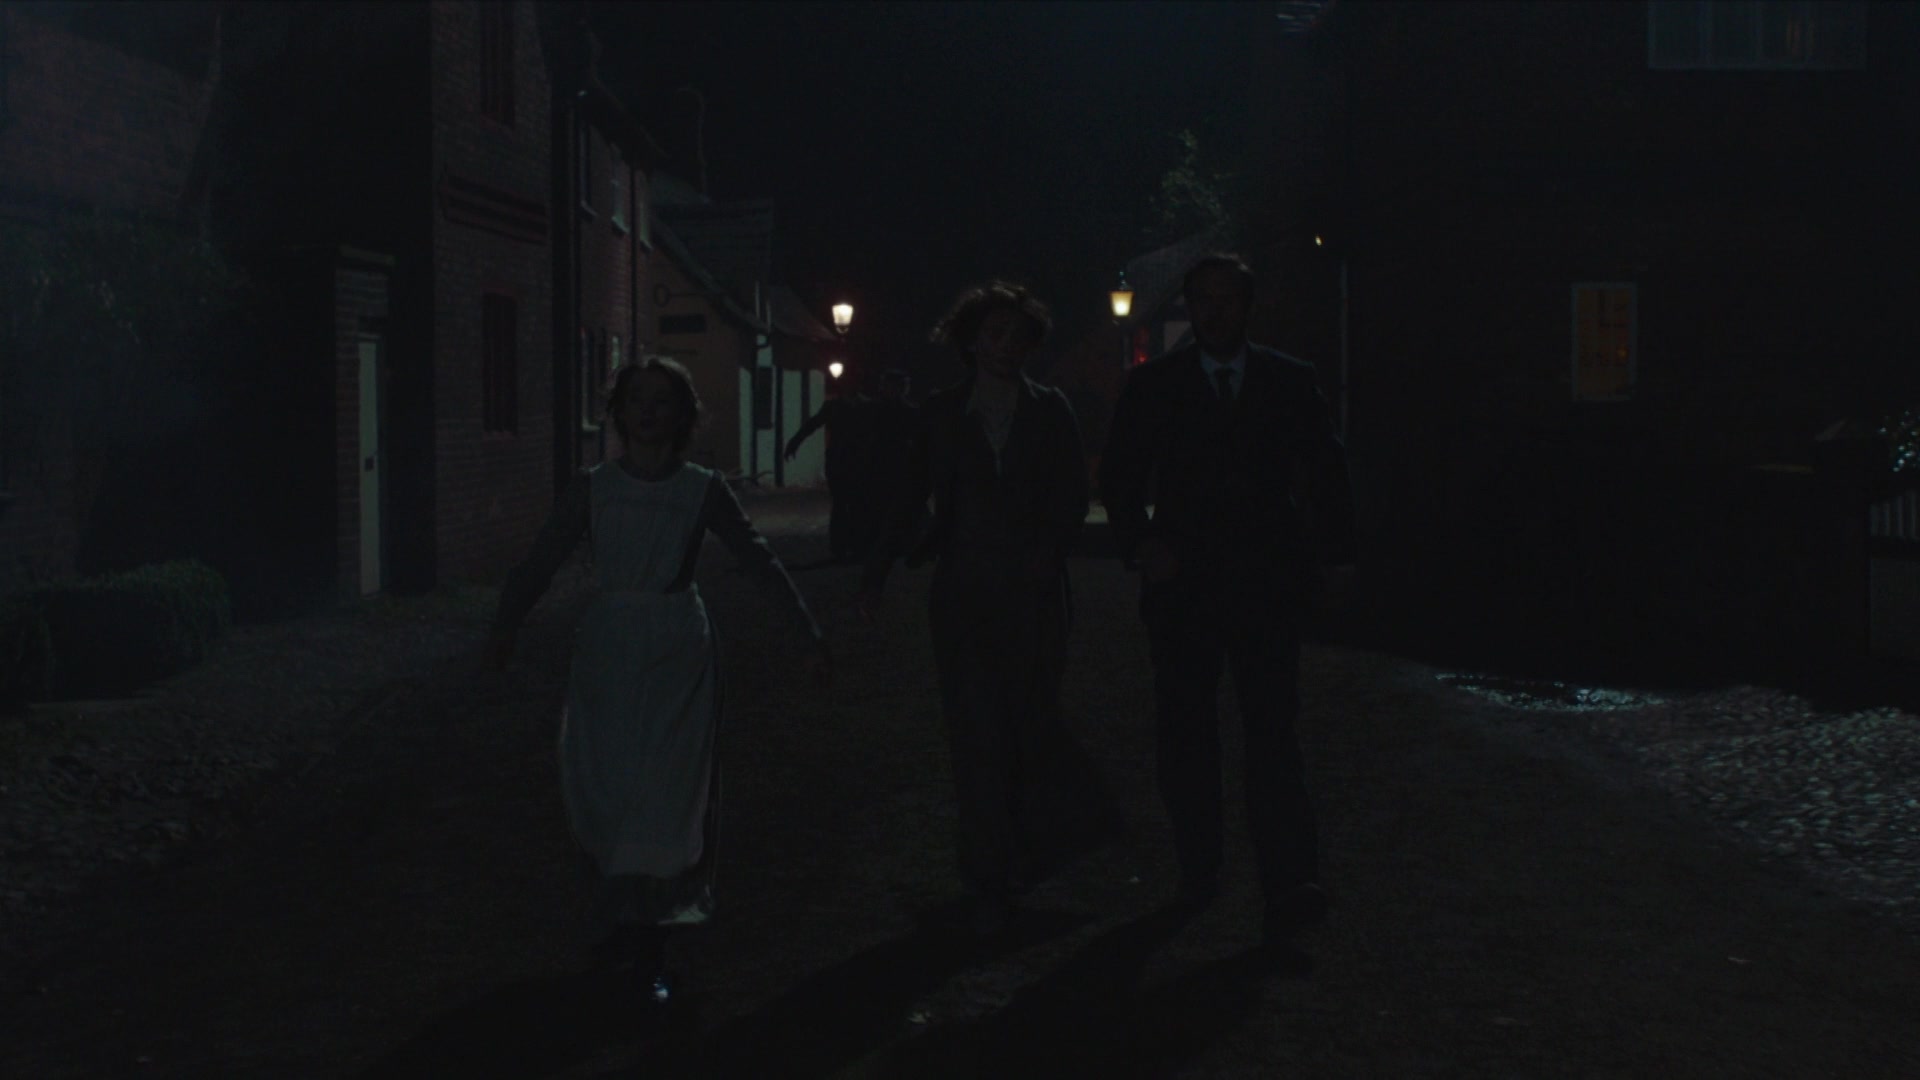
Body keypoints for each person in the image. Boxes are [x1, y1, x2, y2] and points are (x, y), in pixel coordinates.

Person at [483, 356, 832, 1009]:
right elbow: (542, 557)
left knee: (667, 792)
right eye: (636, 399)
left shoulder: (701, 489)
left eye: (662, 400)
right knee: (608, 783)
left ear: (682, 415)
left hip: (676, 648)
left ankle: (651, 943)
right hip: (610, 648)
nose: (648, 411)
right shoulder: (594, 488)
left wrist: (805, 635)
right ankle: (616, 917)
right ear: (618, 411)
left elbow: (758, 561)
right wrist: (506, 624)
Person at [1097, 253, 1356, 966]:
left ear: (1247, 306)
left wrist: (1337, 555)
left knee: (1273, 730)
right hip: (1184, 585)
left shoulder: (1288, 380)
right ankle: (1201, 862)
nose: (1215, 312)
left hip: (1264, 584)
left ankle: (1287, 876)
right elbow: (1120, 474)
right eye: (1204, 299)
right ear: (1190, 305)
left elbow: (1327, 469)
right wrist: (1141, 543)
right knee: (1188, 729)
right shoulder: (1156, 385)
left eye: (1227, 299)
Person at [860, 280, 1116, 940]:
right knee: (975, 734)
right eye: (995, 334)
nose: (1006, 347)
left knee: (1029, 724)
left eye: (1018, 336)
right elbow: (909, 493)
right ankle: (988, 876)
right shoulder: (943, 412)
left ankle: (1028, 852)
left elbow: (1070, 496)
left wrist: (1047, 550)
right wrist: (878, 569)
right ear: (971, 339)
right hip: (966, 596)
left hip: (1034, 597)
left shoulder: (1050, 410)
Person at [785, 375, 878, 562]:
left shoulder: (863, 406)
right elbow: (813, 424)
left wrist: (795, 442)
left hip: (855, 461)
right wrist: (795, 442)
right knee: (844, 503)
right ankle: (844, 546)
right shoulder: (845, 406)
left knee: (854, 504)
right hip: (842, 461)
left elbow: (813, 424)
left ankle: (851, 545)